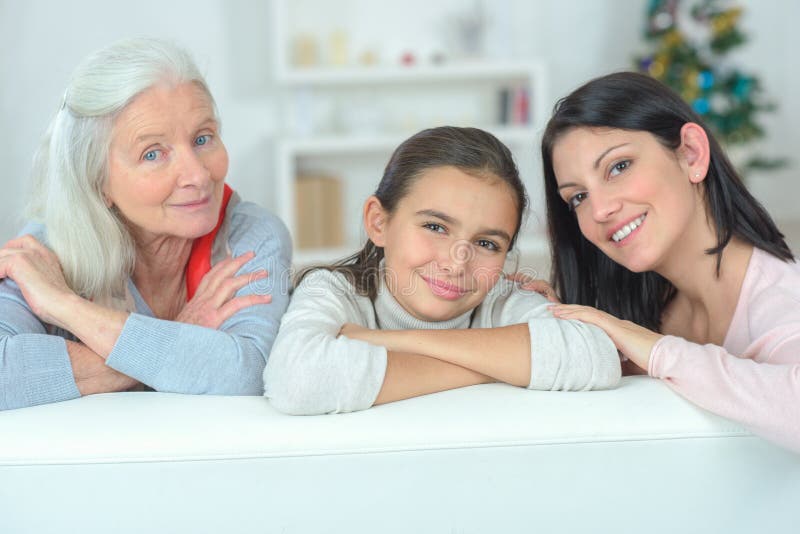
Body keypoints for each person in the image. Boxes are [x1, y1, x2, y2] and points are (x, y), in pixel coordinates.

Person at [0, 38, 291, 410]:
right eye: (153, 153)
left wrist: (64, 305)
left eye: (203, 138)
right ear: (98, 182)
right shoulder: (41, 251)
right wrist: (182, 341)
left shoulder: (250, 235)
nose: (198, 175)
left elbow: (248, 373)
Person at [263, 126, 620, 415]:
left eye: (487, 244)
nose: (456, 262)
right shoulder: (333, 290)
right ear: (379, 222)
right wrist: (501, 365)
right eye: (435, 227)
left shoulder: (502, 299)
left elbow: (596, 355)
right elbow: (296, 381)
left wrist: (394, 342)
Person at [540, 72, 800, 452]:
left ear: (691, 153)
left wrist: (657, 351)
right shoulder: (641, 304)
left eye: (618, 167)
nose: (599, 210)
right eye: (577, 197)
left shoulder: (779, 297)